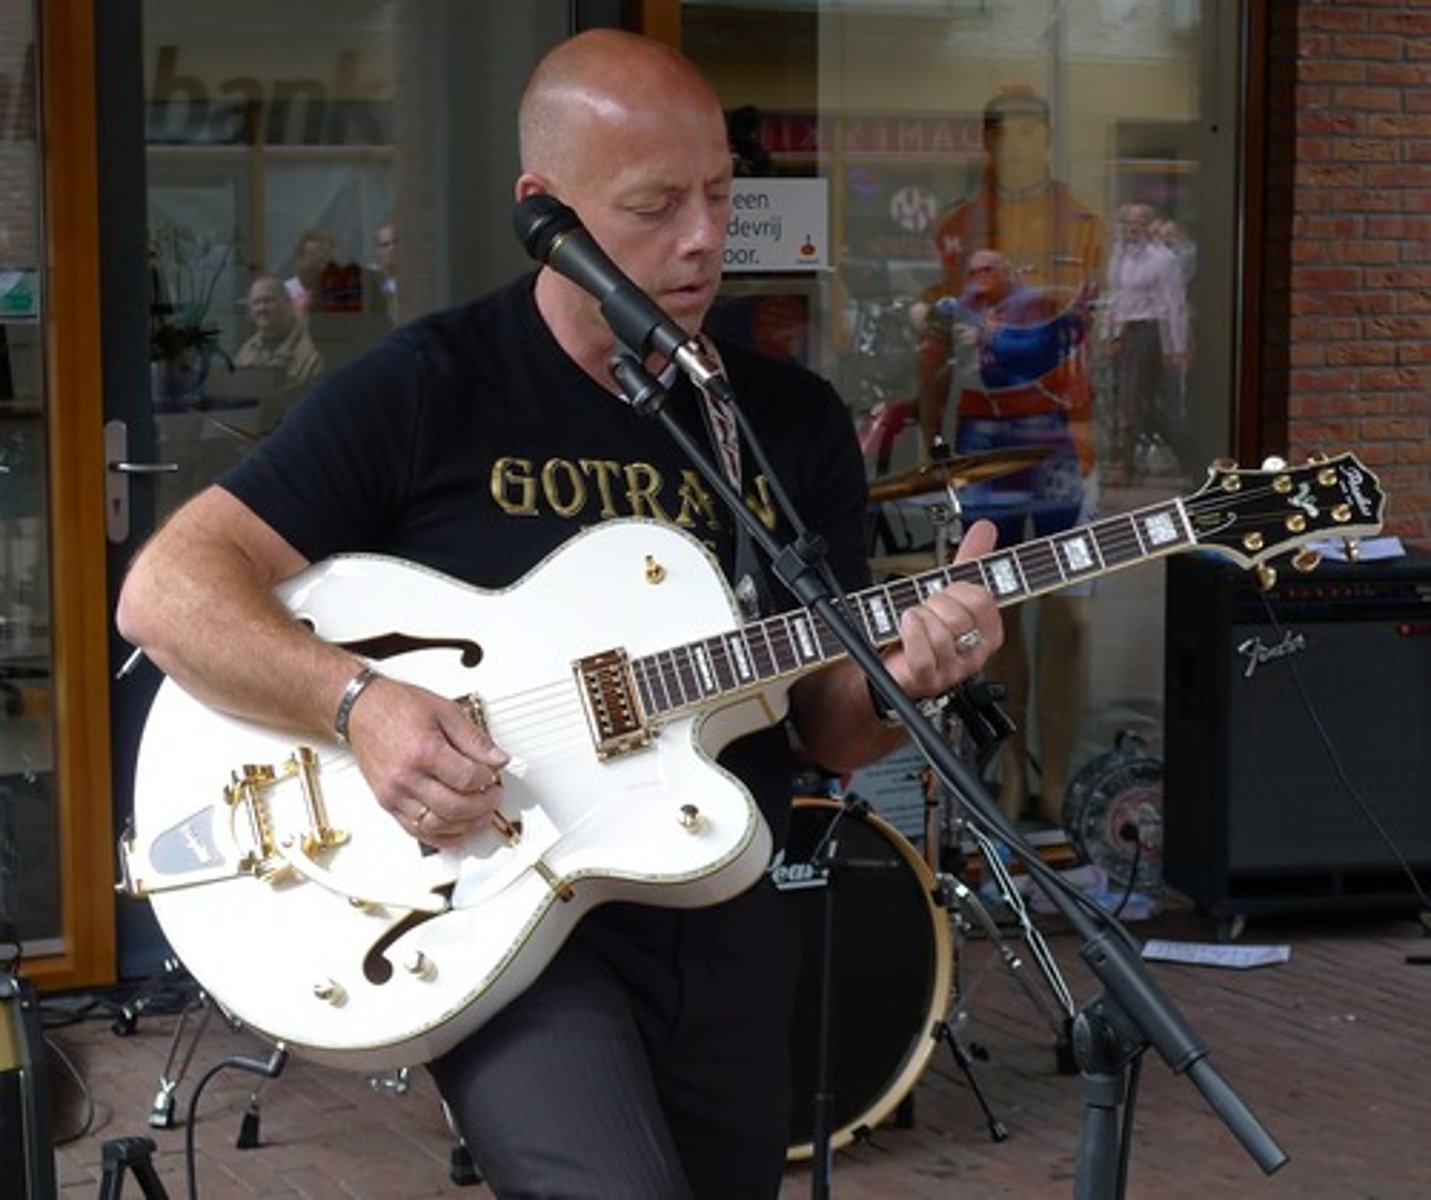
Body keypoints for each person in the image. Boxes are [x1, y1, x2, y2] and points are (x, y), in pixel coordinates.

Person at [116, 30, 1003, 1200]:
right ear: (546, 209)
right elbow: (166, 588)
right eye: (651, 206)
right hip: (502, 905)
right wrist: (361, 700)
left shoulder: (784, 420)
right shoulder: (435, 385)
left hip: (722, 898)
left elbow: (834, 726)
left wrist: (907, 673)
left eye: (719, 196)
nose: (699, 239)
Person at [912, 87, 1103, 829]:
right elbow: (936, 339)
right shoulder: (958, 228)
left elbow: (1098, 339)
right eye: (1006, 135)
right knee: (1001, 620)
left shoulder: (1082, 224)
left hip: (1059, 441)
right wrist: (929, 436)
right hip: (984, 444)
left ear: (1048, 141)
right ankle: (1016, 780)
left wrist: (1094, 424)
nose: (1021, 147)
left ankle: (1058, 779)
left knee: (1071, 618)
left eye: (1033, 134)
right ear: (987, 143)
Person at [1106, 202, 1190, 480]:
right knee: (1132, 400)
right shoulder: (1119, 256)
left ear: (1148, 225)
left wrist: (1177, 346)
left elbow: (1174, 303)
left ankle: (1125, 465)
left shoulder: (1162, 259)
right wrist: (1112, 334)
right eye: (1127, 222)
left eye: (1138, 222)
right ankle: (1180, 455)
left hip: (1150, 332)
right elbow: (1117, 298)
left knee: (1134, 400)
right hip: (1125, 333)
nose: (1132, 227)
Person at [233, 274, 323, 389]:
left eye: (268, 300)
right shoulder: (246, 353)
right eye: (256, 302)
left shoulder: (312, 350)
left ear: (287, 303)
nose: (262, 308)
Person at [283, 227, 338, 318]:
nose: (322, 264)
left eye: (327, 255)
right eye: (314, 255)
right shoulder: (285, 292)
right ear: (300, 259)